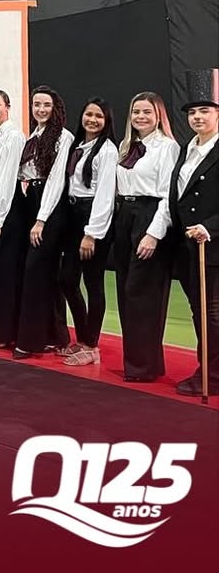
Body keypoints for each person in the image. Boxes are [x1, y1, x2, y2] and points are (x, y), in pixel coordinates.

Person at [111, 91, 179, 381]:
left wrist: (153, 234)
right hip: (125, 216)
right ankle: (135, 362)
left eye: (147, 111)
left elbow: (168, 195)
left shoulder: (167, 147)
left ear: (158, 115)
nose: (140, 116)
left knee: (143, 294)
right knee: (125, 291)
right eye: (136, 111)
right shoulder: (127, 146)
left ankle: (145, 366)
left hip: (150, 215)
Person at [13, 86, 75, 360]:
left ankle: (30, 341)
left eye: (46, 105)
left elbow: (56, 180)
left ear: (56, 108)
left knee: (36, 272)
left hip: (49, 208)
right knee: (45, 275)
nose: (40, 109)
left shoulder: (63, 136)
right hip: (32, 201)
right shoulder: (34, 135)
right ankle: (55, 335)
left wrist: (41, 219)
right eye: (36, 104)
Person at [167, 90, 219, 397]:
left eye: (204, 111)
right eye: (192, 112)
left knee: (212, 314)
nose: (197, 117)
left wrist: (210, 226)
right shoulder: (188, 148)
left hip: (213, 246)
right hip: (188, 245)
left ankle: (213, 377)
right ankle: (206, 368)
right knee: (198, 312)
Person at [58, 98, 117, 366]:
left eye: (99, 116)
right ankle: (83, 336)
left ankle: (92, 345)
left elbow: (105, 193)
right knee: (67, 279)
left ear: (107, 121)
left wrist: (92, 233)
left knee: (93, 282)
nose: (92, 120)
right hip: (72, 214)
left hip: (92, 215)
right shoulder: (78, 146)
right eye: (88, 114)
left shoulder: (107, 150)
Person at [0, 89, 28, 349]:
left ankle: (5, 333)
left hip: (7, 204)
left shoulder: (13, 136)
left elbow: (9, 177)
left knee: (5, 272)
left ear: (7, 106)